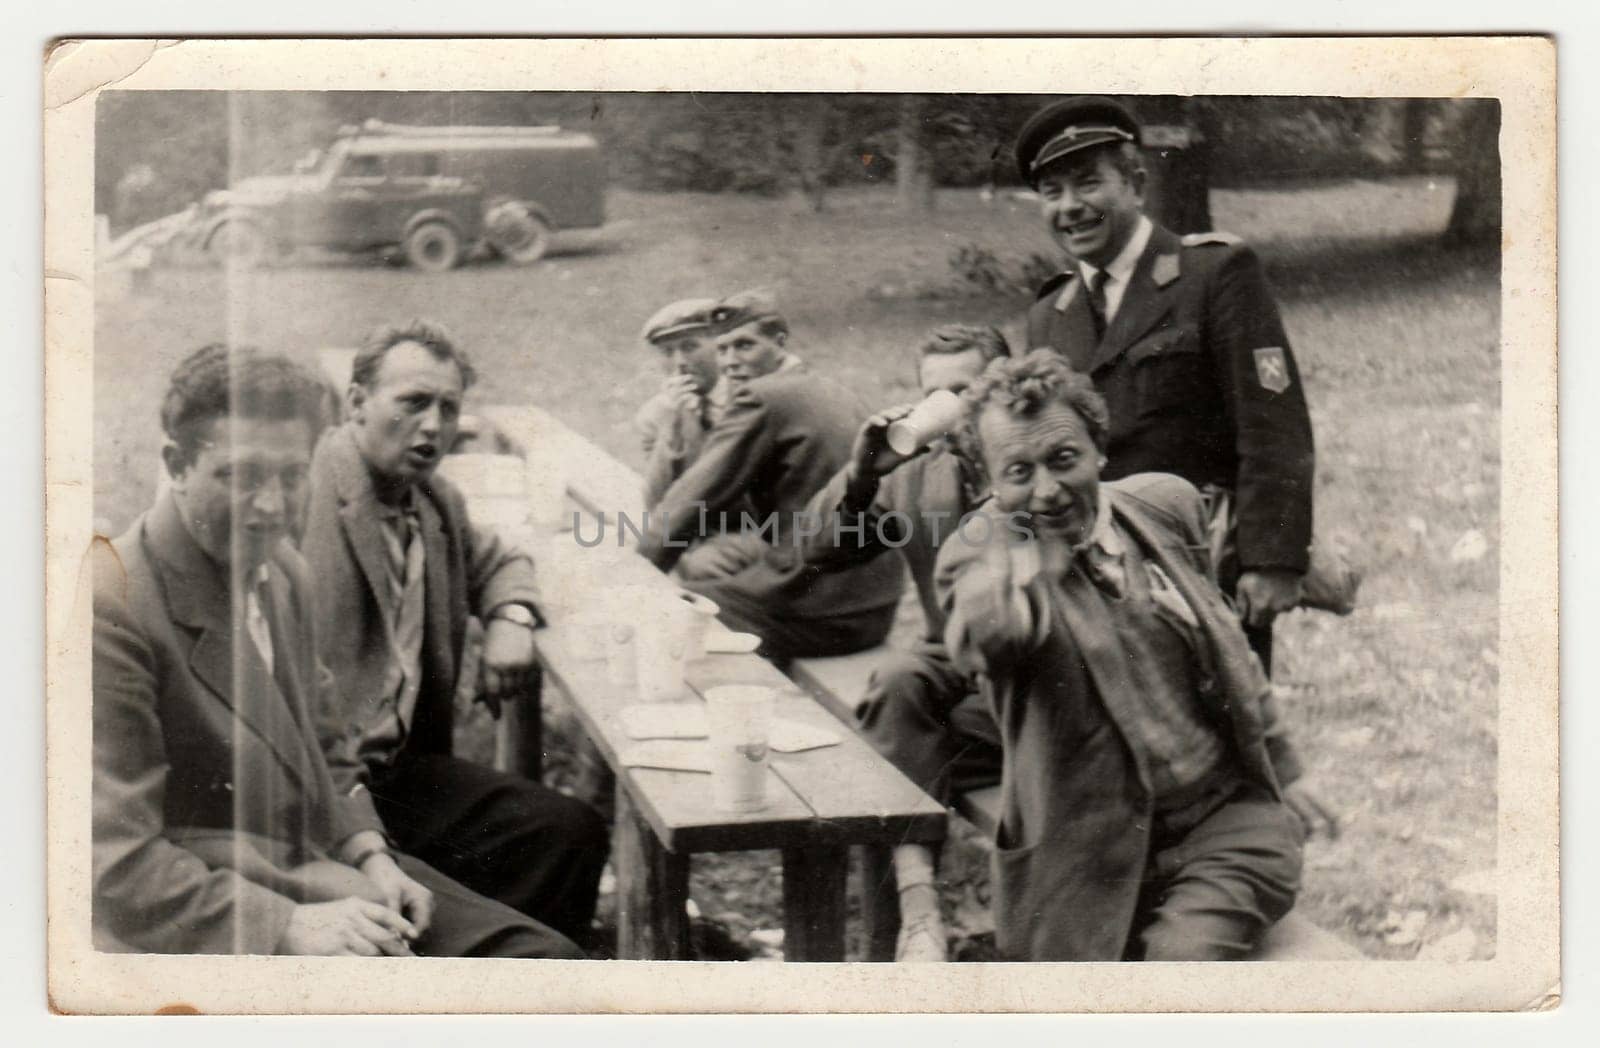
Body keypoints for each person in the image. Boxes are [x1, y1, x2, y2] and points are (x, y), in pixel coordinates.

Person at [91, 344, 581, 957]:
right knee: (530, 967)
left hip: (318, 866)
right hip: (218, 918)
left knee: (541, 949)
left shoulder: (282, 573)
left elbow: (327, 745)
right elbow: (114, 866)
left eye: (292, 477)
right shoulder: (109, 603)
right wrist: (285, 927)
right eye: (240, 475)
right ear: (177, 464)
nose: (271, 506)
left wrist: (372, 855)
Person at [935, 351, 1337, 961]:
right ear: (988, 483)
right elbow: (983, 635)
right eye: (1017, 472)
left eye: (1062, 459)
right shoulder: (981, 554)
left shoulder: (1163, 506)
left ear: (1100, 448)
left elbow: (1228, 646)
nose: (1046, 490)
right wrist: (1016, 589)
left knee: (1179, 972)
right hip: (1086, 855)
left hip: (1224, 825)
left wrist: (1287, 765)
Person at [301, 320, 608, 947]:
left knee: (568, 829)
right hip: (322, 785)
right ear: (356, 402)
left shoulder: (435, 499)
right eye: (413, 402)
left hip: (402, 771)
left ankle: (502, 986)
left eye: (449, 407)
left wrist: (511, 618)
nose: (435, 426)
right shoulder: (303, 493)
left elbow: (502, 559)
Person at [1016, 96, 1316, 672]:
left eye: (1086, 185)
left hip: (1201, 566)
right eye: (1052, 193)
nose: (1070, 207)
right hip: (1094, 573)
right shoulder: (1049, 313)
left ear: (1135, 183)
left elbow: (1273, 423)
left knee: (1222, 739)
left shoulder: (1214, 275)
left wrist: (1272, 560)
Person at [799, 324, 1007, 960]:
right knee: (893, 688)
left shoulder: (1041, 455)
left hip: (1042, 672)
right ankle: (919, 912)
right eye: (932, 393)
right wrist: (862, 474)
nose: (948, 405)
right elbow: (818, 550)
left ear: (1001, 386)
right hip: (957, 666)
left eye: (964, 390)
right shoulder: (920, 470)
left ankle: (911, 936)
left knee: (882, 748)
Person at [636, 289, 903, 661]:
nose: (730, 362)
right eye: (723, 349)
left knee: (680, 612)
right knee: (707, 579)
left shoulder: (761, 398)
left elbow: (689, 503)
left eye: (744, 346)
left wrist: (633, 576)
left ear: (779, 343)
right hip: (875, 605)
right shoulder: (825, 385)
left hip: (826, 614)